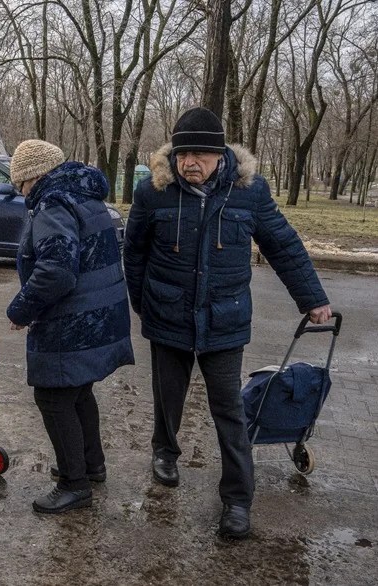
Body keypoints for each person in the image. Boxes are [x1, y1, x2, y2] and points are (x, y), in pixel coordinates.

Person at [123, 107, 332, 538]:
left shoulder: (248, 192)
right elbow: (135, 252)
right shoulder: (153, 192)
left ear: (220, 155)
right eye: (183, 154)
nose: (189, 163)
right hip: (168, 314)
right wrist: (144, 304)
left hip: (224, 319)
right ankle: (165, 451)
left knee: (229, 410)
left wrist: (312, 298)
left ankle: (237, 500)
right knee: (168, 395)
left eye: (199, 155)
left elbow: (282, 244)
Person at [6, 139, 135, 514]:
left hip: (72, 320)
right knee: (78, 392)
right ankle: (90, 465)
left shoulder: (52, 203)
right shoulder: (84, 195)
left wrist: (21, 309)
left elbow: (57, 270)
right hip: (98, 315)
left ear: (33, 177)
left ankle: (73, 484)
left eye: (21, 185)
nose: (22, 193)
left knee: (53, 398)